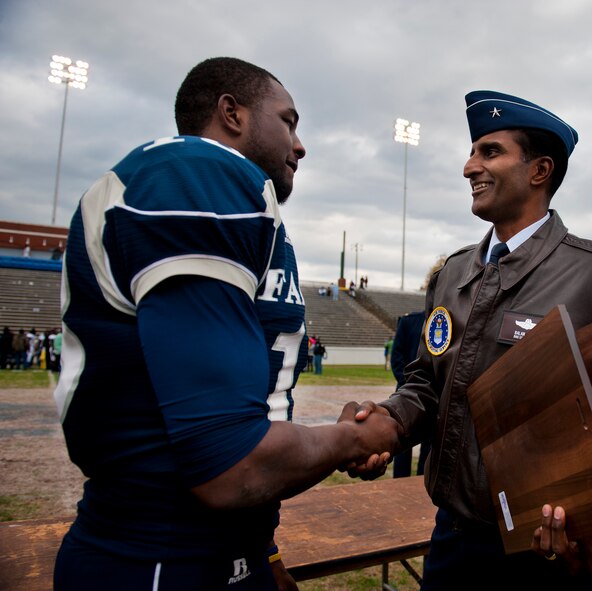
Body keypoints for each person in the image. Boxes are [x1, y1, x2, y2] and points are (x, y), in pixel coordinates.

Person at [52, 57, 399, 591]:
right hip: (160, 556)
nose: (300, 144)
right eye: (288, 120)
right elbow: (228, 463)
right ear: (231, 113)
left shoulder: (242, 205)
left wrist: (263, 548)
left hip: (223, 547)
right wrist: (350, 441)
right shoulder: (197, 174)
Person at [350, 90, 592, 589]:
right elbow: (427, 381)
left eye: (489, 152)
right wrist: (387, 423)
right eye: (472, 152)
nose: (469, 167)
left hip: (543, 552)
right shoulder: (453, 272)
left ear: (539, 170)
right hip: (451, 536)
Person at [389, 311, 430, 478]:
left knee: (429, 443)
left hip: (431, 394)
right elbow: (396, 356)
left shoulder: (444, 320)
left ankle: (422, 478)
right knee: (401, 439)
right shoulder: (408, 322)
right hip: (406, 392)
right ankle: (400, 479)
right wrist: (408, 385)